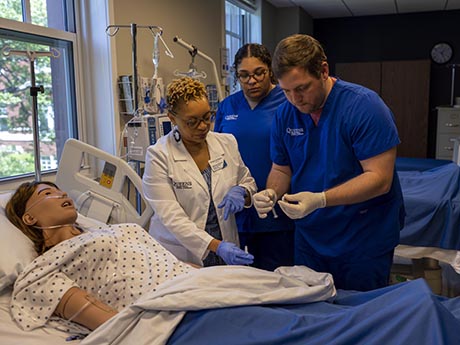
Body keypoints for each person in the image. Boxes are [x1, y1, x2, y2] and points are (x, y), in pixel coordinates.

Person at [253, 34, 405, 291]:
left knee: (361, 315)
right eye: (286, 91)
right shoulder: (285, 115)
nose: (294, 99)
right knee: (314, 313)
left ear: (323, 70)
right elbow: (281, 168)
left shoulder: (364, 107)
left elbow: (379, 179)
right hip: (311, 239)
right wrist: (271, 192)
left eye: (301, 88)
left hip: (363, 239)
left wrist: (320, 199)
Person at [5, 181, 196, 334]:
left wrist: (212, 275)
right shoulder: (45, 269)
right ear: (29, 218)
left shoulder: (109, 231)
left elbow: (169, 262)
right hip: (172, 315)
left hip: (195, 286)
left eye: (61, 191)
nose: (62, 194)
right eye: (47, 194)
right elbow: (114, 323)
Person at [142, 77, 257, 267]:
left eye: (207, 117)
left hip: (226, 246)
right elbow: (172, 217)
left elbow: (247, 180)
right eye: (192, 122)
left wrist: (243, 192)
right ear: (172, 118)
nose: (203, 126)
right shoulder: (159, 155)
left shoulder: (226, 143)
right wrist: (216, 246)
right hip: (181, 254)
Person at [214, 43, 295, 271]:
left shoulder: (288, 100)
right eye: (244, 75)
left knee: (276, 278)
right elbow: (215, 152)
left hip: (276, 212)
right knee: (238, 282)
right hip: (236, 211)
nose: (252, 80)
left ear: (270, 70)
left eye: (258, 72)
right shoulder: (228, 106)